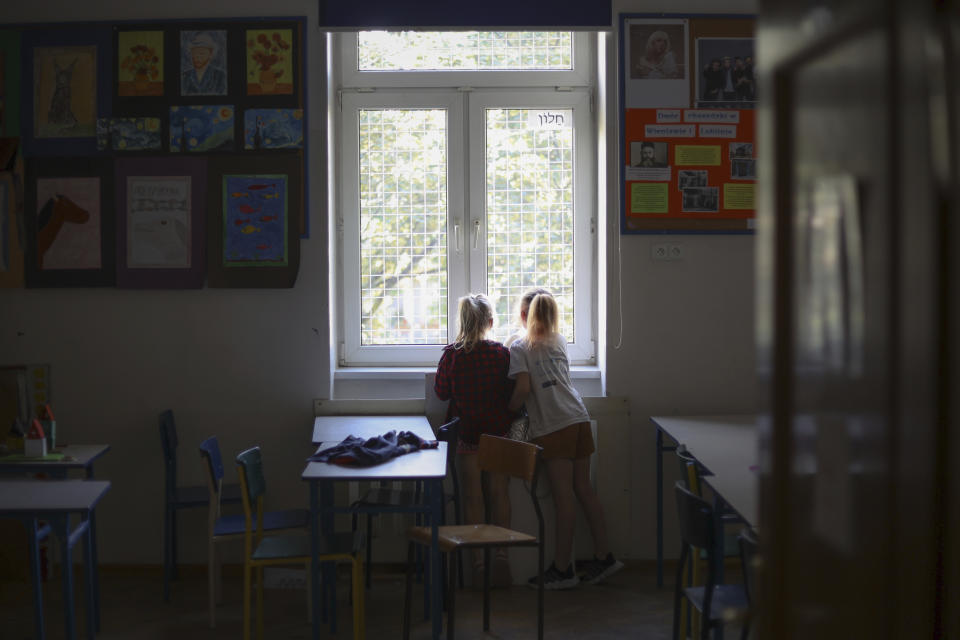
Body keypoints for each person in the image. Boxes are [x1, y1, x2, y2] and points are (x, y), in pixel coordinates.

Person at [507, 289, 624, 589]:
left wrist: (508, 411)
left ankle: (562, 570)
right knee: (584, 489)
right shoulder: (559, 341)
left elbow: (521, 390)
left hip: (554, 426)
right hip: (579, 417)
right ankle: (605, 556)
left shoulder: (519, 348)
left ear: (524, 316)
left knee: (563, 499)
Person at [434, 293, 517, 588]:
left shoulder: (452, 355)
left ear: (463, 323)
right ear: (490, 322)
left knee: (473, 496)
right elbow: (511, 392)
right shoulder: (500, 354)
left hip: (467, 435)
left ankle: (477, 562)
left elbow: (441, 392)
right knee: (500, 494)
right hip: (497, 434)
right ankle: (503, 556)